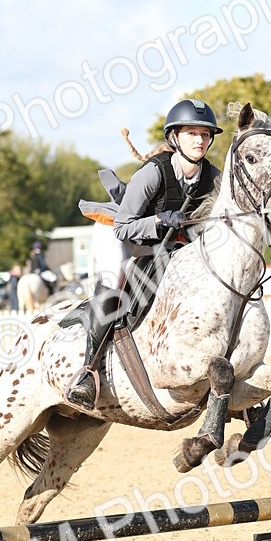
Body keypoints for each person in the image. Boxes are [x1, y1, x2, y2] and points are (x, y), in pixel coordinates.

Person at [66, 98, 222, 409]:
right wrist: (161, 219)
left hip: (163, 241)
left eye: (205, 135)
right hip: (121, 233)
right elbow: (125, 226)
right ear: (174, 138)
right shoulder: (154, 172)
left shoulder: (211, 176)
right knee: (115, 278)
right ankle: (87, 370)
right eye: (191, 133)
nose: (200, 140)